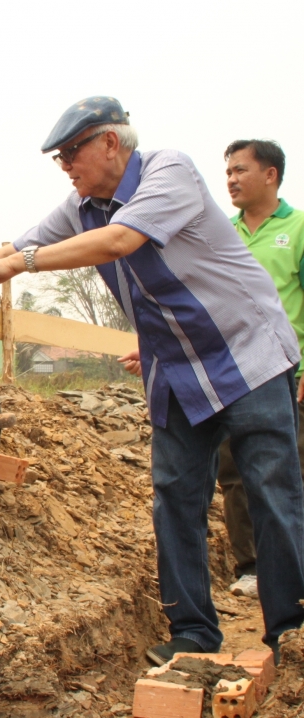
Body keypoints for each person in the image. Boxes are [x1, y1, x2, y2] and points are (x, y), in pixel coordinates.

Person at [0, 97, 304, 666]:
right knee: (176, 499)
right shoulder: (83, 204)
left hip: (246, 354)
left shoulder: (170, 171)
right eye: (59, 157)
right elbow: (15, 245)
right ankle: (192, 632)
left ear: (111, 143)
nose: (65, 165)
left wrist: (18, 266)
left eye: (72, 152)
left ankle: (290, 631)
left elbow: (119, 242)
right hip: (177, 369)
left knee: (271, 492)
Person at [215, 140, 304, 599]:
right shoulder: (223, 234)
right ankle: (250, 567)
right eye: (227, 171)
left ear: (270, 175)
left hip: (286, 372)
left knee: (287, 471)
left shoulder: (299, 228)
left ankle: (292, 568)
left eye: (240, 170)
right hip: (232, 374)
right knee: (234, 473)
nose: (230, 178)